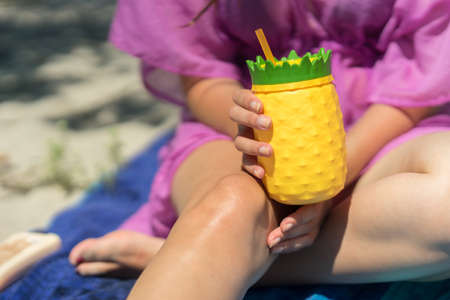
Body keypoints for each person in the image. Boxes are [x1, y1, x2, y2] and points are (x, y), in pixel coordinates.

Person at [69, 0, 450, 298]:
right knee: (231, 206)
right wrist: (251, 122)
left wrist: (332, 175)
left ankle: (178, 256)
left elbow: (415, 91)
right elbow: (202, 78)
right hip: (234, 131)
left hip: (387, 129)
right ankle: (220, 245)